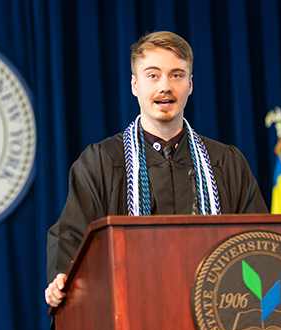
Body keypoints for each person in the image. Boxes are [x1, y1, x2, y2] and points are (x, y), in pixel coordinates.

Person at [45, 31, 268, 308]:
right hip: (131, 313)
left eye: (177, 75)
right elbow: (73, 236)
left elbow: (257, 242)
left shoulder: (226, 163)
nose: (166, 86)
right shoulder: (102, 161)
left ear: (190, 85)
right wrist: (63, 278)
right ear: (135, 85)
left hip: (215, 313)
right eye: (153, 75)